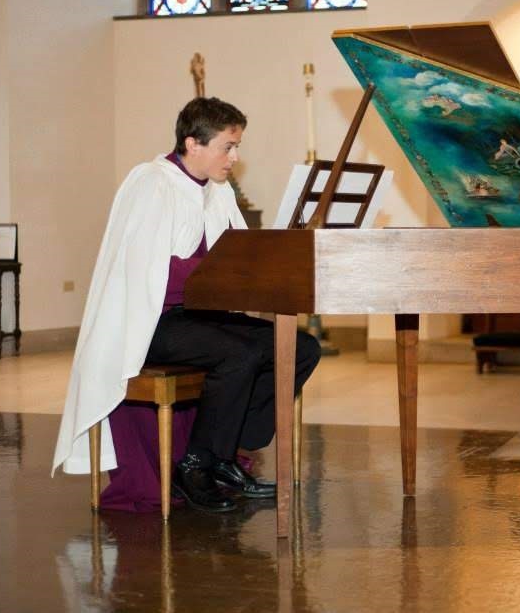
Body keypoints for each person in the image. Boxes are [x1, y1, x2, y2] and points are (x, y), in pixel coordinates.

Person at [52, 97, 321, 513]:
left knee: (302, 348)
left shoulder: (218, 189)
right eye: (227, 146)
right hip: (149, 323)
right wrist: (221, 276)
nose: (235, 157)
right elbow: (148, 270)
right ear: (193, 143)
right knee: (242, 352)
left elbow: (237, 252)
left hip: (199, 316)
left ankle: (224, 454)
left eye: (237, 147)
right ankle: (196, 464)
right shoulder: (151, 182)